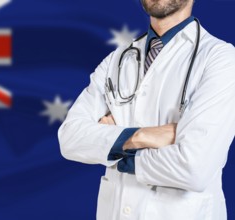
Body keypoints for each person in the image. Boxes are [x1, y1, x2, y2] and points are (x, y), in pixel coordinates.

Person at [57, 0, 235, 219]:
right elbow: (70, 138)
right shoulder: (116, 59)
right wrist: (141, 136)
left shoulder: (221, 59)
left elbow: (194, 168)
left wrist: (113, 149)